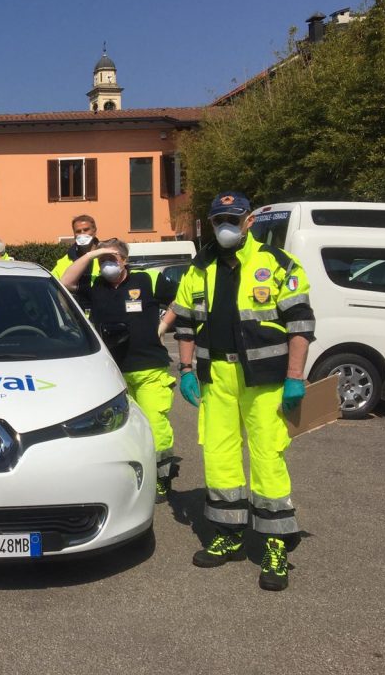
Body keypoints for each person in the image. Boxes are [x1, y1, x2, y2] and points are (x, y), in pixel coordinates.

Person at [171, 191, 315, 592]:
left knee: (268, 457)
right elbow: (184, 322)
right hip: (216, 376)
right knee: (219, 457)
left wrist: (295, 376)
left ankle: (274, 545)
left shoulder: (276, 264)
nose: (225, 227)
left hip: (266, 379)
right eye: (219, 220)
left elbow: (301, 324)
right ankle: (230, 535)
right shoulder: (198, 268)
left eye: (233, 219)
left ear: (249, 221)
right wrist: (185, 369)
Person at [62, 238, 178, 502]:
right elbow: (66, 282)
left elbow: (180, 299)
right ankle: (128, 475)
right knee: (121, 430)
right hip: (113, 372)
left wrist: (163, 325)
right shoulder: (95, 287)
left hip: (149, 367)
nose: (107, 265)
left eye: (112, 260)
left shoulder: (146, 280)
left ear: (125, 260)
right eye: (103, 261)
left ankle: (161, 477)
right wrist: (94, 254)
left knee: (155, 426)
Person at [51, 215, 100, 283]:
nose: (82, 234)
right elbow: (53, 284)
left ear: (94, 231)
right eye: (78, 231)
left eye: (86, 230)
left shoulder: (105, 256)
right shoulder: (65, 261)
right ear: (74, 234)